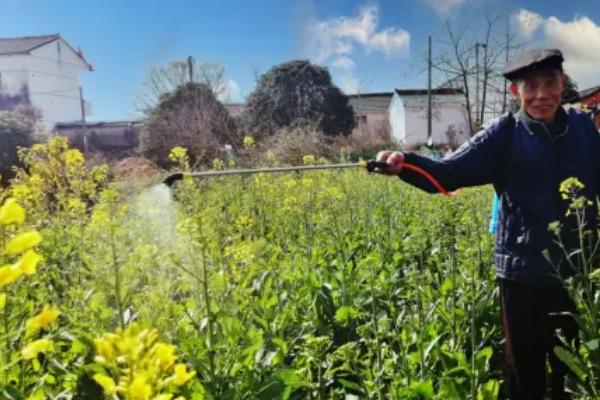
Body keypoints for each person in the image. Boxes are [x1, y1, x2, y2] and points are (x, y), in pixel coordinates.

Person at [376, 48, 600, 399]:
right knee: (524, 367)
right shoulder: (503, 134)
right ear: (515, 92)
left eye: (550, 83)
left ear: (562, 82)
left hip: (578, 267)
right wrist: (405, 164)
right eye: (531, 86)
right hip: (521, 272)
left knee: (574, 367)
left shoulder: (584, 128)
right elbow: (450, 172)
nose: (542, 94)